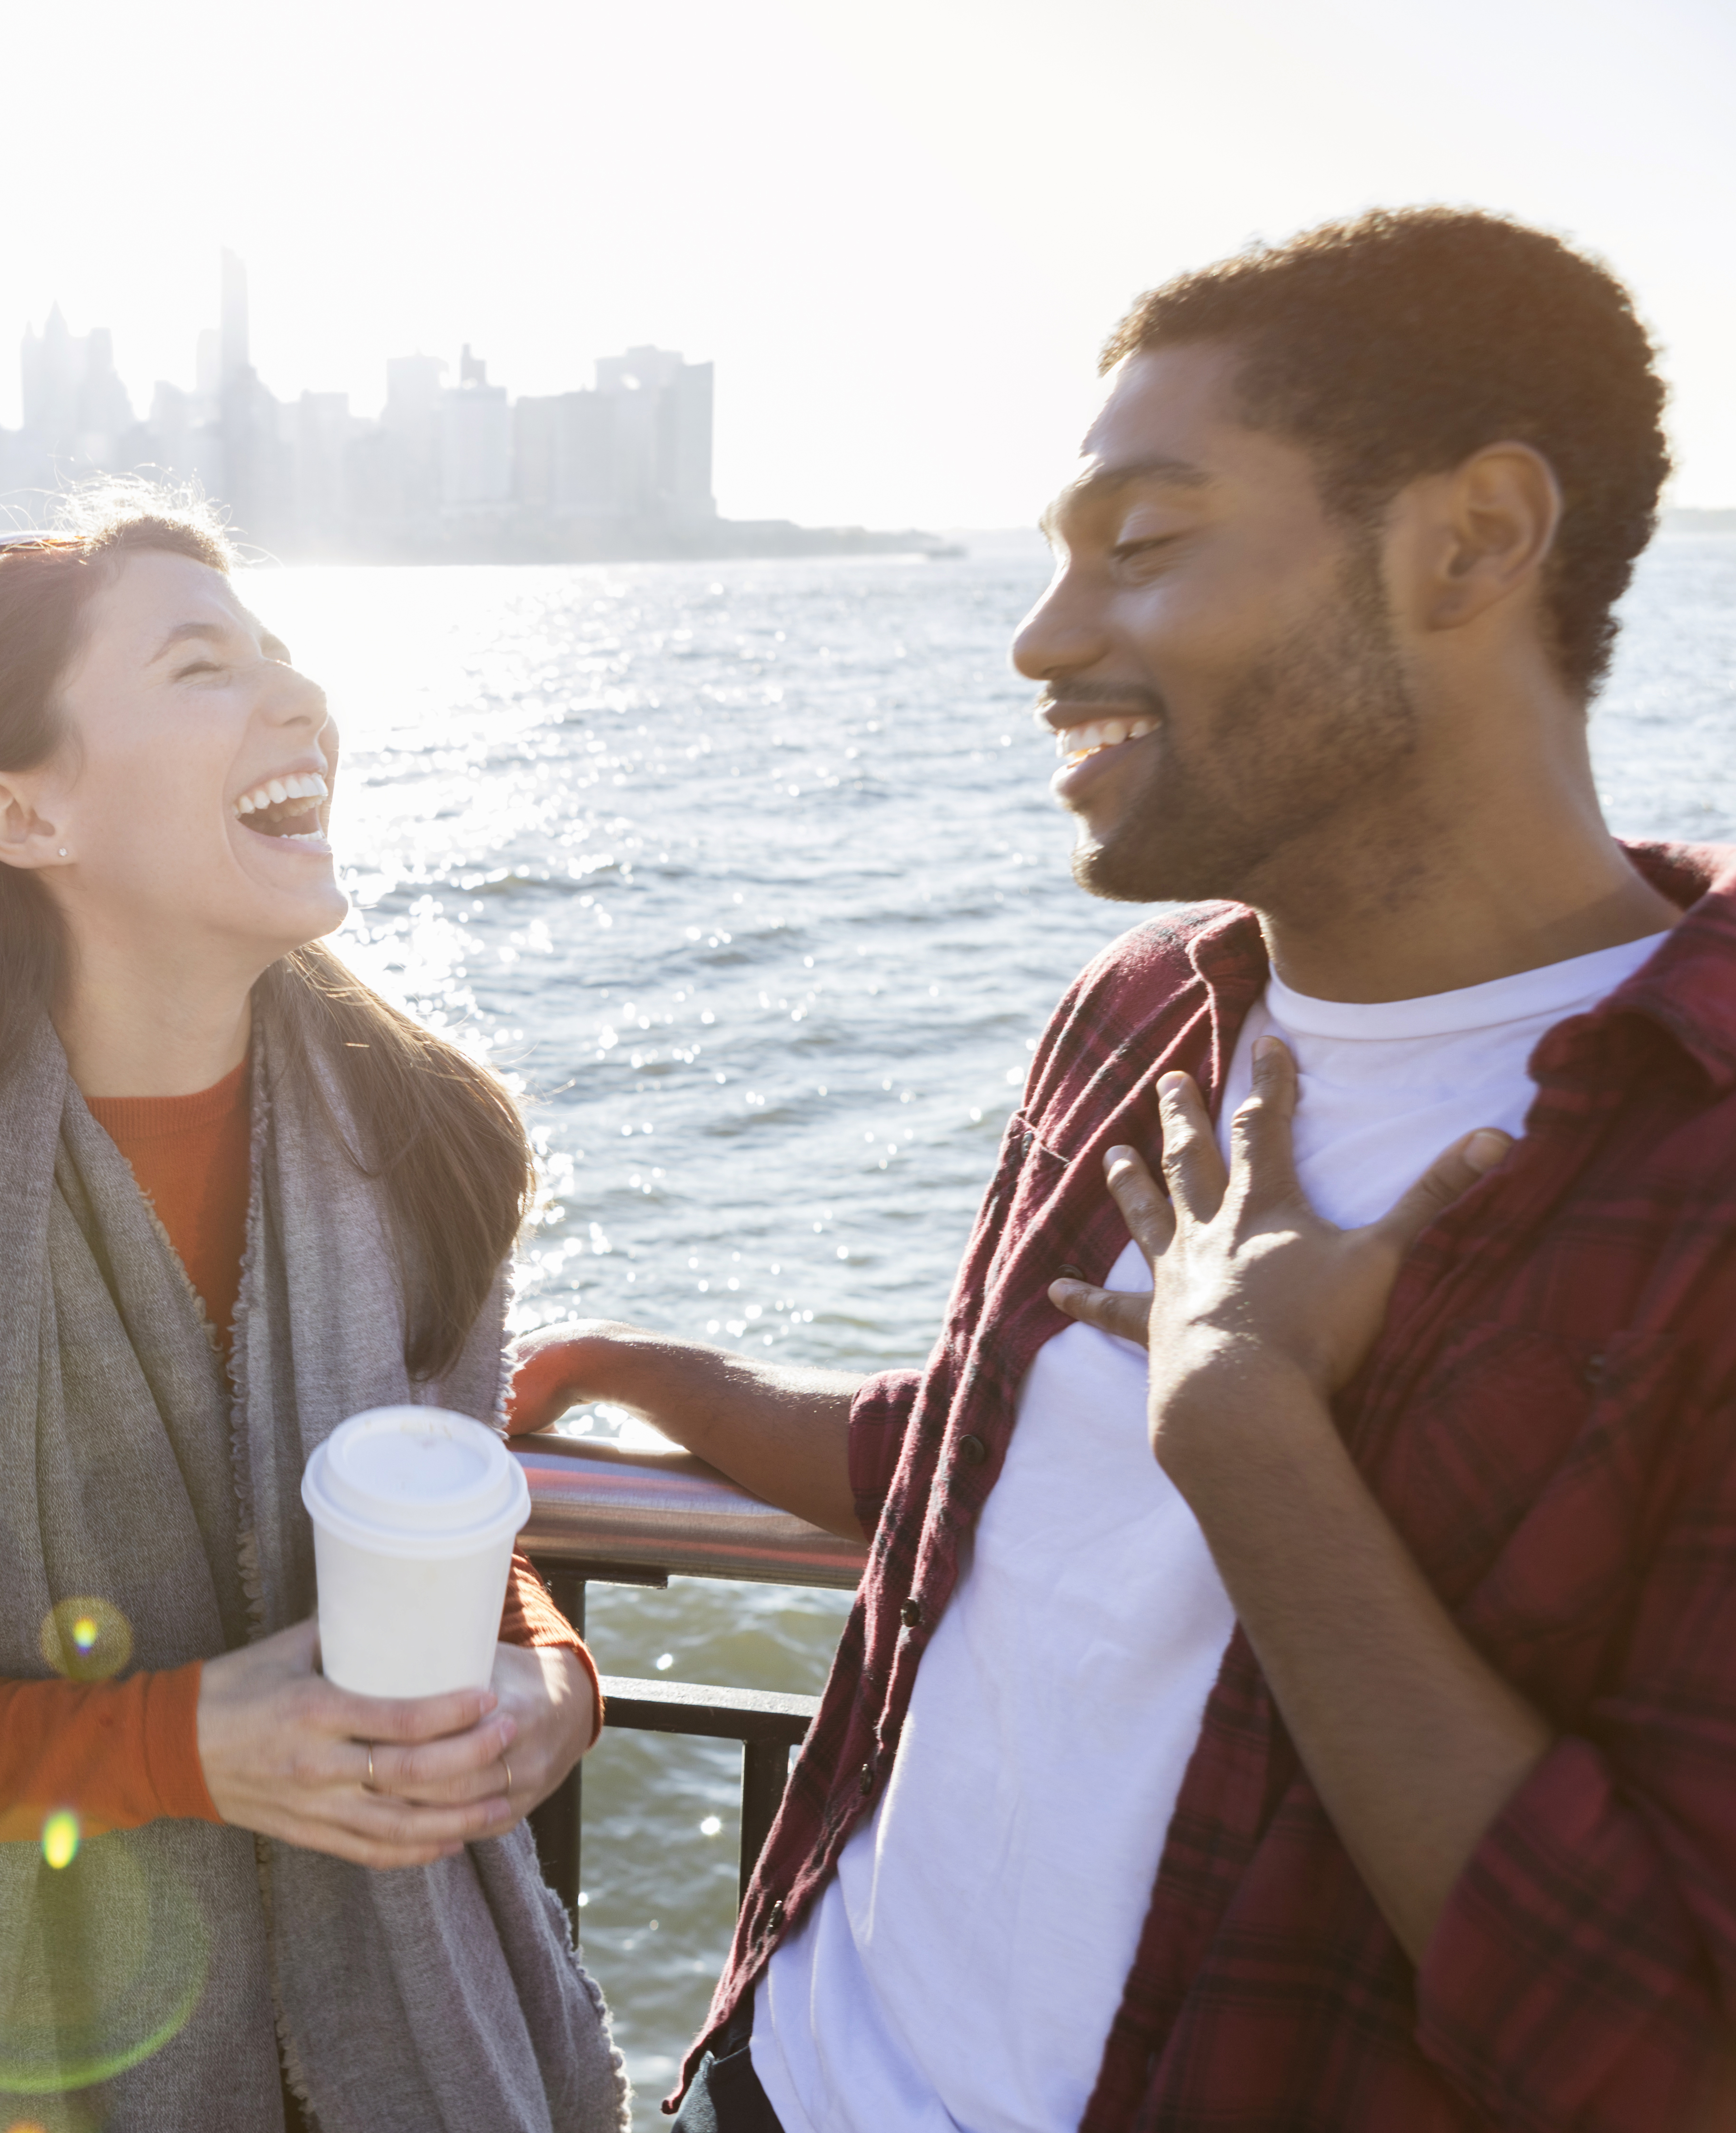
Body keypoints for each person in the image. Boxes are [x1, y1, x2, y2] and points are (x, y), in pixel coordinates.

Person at [514, 207, 1736, 2130]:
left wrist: (1255, 1441)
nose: (1042, 638)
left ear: (1476, 540)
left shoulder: (1704, 1156)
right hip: (777, 2079)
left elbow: (1663, 2046)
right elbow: (1013, 1461)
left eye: (1143, 547)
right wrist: (676, 1390)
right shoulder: (1145, 1012)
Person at [0, 494, 626, 2132]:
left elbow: (450, 1541)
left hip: (451, 2029)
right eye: (205, 666)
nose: (299, 698)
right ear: (19, 815)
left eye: (280, 652)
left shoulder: (432, 1142)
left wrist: (552, 1687)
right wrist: (188, 1747)